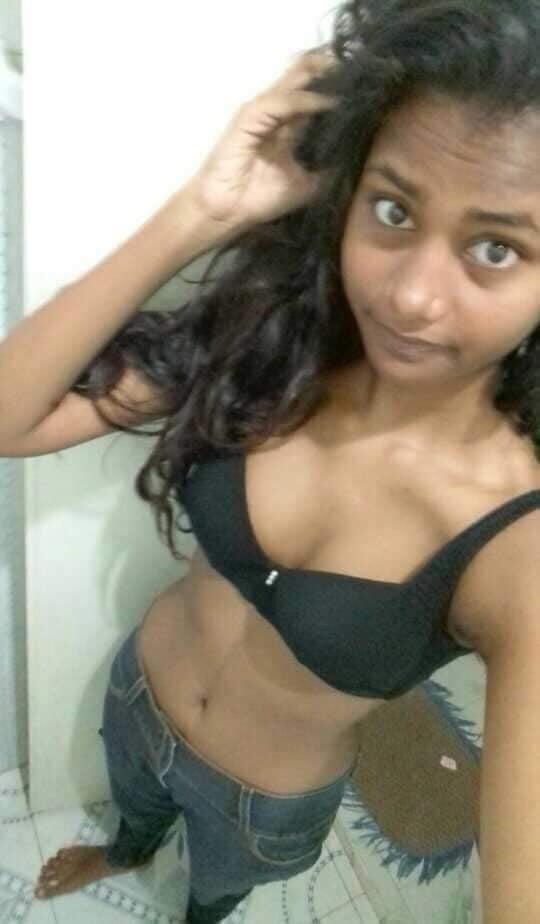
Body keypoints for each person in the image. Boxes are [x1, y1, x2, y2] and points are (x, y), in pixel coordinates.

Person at [0, 0, 539, 921]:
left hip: (261, 807)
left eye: (496, 248)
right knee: (133, 819)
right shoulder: (268, 346)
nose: (411, 296)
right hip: (137, 698)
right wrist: (202, 211)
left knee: (212, 898)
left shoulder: (515, 545)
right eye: (392, 209)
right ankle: (123, 848)